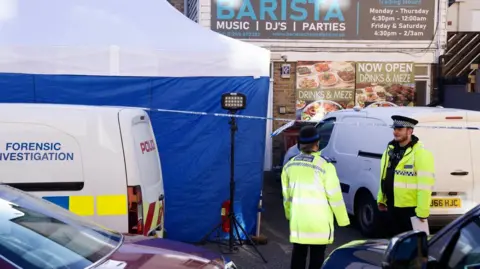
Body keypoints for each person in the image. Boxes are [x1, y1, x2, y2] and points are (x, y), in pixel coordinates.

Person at [281, 125, 350, 269]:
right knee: (317, 259)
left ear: (299, 144)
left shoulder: (289, 165)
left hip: (299, 221)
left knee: (298, 256)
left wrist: (289, 215)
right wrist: (343, 220)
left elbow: (286, 196)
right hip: (319, 224)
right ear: (317, 144)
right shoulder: (325, 166)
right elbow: (335, 196)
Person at [377, 115, 435, 236]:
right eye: (394, 129)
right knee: (393, 243)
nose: (395, 132)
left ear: (410, 131)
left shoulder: (421, 154)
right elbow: (384, 177)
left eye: (399, 129)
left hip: (410, 210)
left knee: (412, 247)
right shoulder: (389, 151)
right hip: (391, 206)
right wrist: (381, 199)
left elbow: (425, 186)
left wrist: (422, 212)